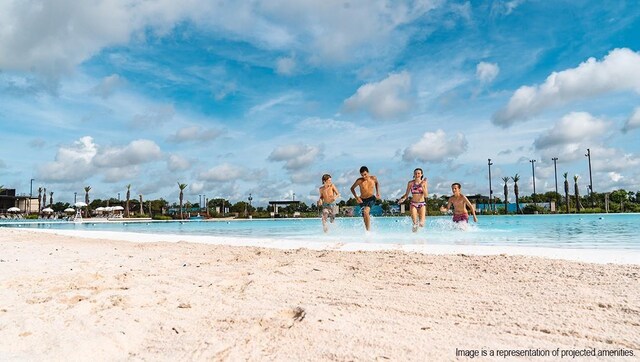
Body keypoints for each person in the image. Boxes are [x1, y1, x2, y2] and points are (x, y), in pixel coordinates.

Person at [350, 166, 380, 231]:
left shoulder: (373, 178)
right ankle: (367, 232)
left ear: (368, 172)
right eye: (362, 175)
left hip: (371, 198)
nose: (364, 176)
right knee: (364, 217)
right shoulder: (359, 181)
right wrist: (357, 197)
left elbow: (377, 183)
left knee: (366, 211)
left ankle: (368, 232)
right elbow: (352, 188)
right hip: (362, 200)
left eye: (365, 174)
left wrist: (377, 192)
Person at [398, 168, 428, 232]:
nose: (417, 175)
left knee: (421, 224)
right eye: (415, 173)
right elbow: (406, 194)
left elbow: (426, 195)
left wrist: (422, 186)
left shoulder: (424, 183)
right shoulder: (410, 183)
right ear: (414, 174)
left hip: (422, 204)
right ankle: (413, 238)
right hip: (413, 204)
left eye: (418, 173)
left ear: (421, 174)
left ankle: (420, 237)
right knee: (415, 224)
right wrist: (403, 199)